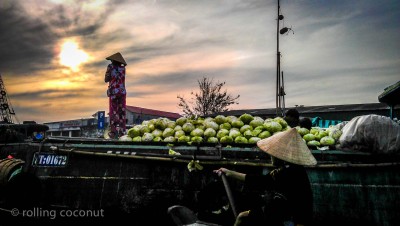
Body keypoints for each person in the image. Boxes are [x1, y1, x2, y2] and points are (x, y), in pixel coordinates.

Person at [214, 128, 317, 226]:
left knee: (242, 217)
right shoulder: (293, 169)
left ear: (280, 156)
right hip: (285, 212)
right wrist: (230, 173)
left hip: (292, 218)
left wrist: (230, 173)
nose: (270, 156)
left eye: (272, 154)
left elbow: (261, 182)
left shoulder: (287, 173)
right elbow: (264, 181)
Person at [105, 52, 127, 139]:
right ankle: (122, 131)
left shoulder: (110, 67)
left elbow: (106, 79)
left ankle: (113, 132)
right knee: (122, 111)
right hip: (122, 92)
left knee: (113, 111)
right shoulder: (123, 68)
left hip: (114, 91)